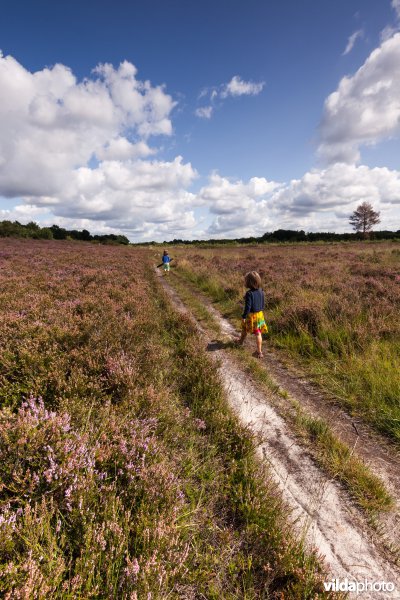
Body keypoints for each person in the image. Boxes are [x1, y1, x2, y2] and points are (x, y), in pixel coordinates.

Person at [237, 271, 268, 358]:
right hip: (260, 314)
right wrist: (260, 310)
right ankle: (259, 352)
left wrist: (244, 316)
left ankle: (240, 341)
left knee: (244, 328)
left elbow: (248, 307)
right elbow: (263, 304)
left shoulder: (249, 293)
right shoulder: (261, 291)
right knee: (258, 333)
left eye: (246, 280)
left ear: (248, 282)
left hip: (251, 315)